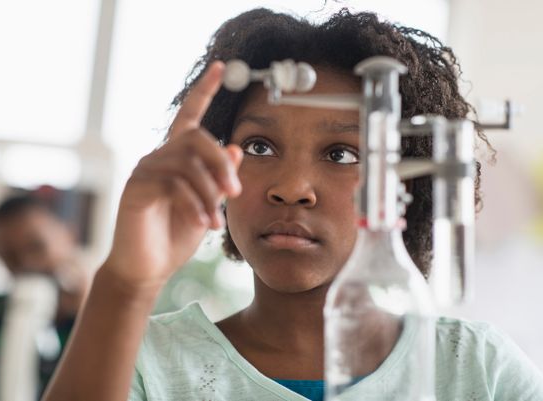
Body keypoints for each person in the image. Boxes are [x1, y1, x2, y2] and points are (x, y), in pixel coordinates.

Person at [42, 7, 543, 401]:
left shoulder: (478, 369)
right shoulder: (138, 362)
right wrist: (129, 284)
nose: (292, 186)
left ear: (403, 182)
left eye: (341, 153)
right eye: (260, 146)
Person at [0, 195, 90, 401]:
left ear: (69, 235)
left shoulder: (99, 322)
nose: (26, 263)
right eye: (9, 255)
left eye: (37, 246)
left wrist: (84, 314)